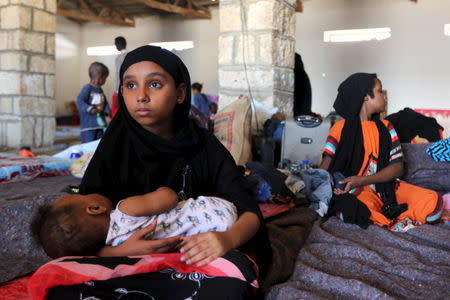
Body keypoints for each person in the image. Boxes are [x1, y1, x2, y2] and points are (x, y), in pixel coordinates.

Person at [74, 45, 270, 297]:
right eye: (130, 85)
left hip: (193, 254)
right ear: (121, 91)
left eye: (154, 84)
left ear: (179, 93)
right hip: (124, 257)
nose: (141, 96)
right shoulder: (114, 146)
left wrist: (226, 240)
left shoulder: (203, 146)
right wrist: (116, 251)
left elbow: (250, 213)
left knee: (230, 284)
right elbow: (82, 225)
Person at [320, 73, 442, 229]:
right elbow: (325, 166)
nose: (384, 95)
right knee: (354, 204)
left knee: (433, 201)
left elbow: (398, 168)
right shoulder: (339, 128)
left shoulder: (386, 127)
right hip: (356, 191)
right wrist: (322, 187)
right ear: (365, 96)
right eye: (380, 91)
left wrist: (363, 179)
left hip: (387, 189)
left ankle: (386, 218)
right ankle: (389, 218)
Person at [37, 188, 237, 259]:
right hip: (217, 211)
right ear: (95, 208)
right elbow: (168, 197)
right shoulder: (126, 209)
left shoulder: (116, 246)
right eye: (82, 194)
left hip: (205, 242)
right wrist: (162, 190)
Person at [76, 62, 110, 143]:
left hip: (99, 125)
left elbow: (104, 102)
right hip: (88, 126)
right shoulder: (87, 88)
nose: (105, 80)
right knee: (87, 146)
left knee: (99, 144)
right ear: (98, 78)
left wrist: (107, 113)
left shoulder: (100, 89)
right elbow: (79, 101)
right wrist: (90, 108)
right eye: (105, 78)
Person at [111, 36, 127, 118]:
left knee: (115, 111)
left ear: (119, 44)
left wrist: (118, 92)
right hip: (125, 88)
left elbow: (120, 75)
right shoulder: (129, 55)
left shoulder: (120, 57)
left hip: (119, 89)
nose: (115, 46)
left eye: (115, 44)